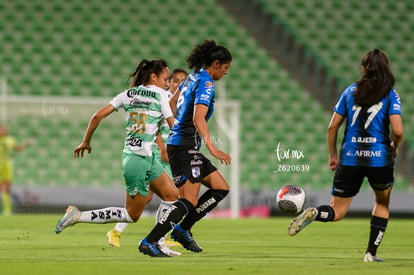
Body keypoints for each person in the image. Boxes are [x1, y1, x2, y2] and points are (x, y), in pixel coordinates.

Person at [55, 58, 180, 257]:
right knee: (131, 215)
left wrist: (85, 141)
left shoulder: (127, 94)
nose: (168, 82)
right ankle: (78, 215)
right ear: (154, 77)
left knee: (172, 196)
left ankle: (157, 242)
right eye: (166, 78)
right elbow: (173, 124)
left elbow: (97, 116)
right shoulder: (160, 94)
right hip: (138, 161)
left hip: (141, 158)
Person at [287, 49, 403, 263]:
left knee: (337, 212)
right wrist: (394, 147)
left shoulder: (350, 91)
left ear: (363, 68)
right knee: (382, 203)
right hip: (380, 159)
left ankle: (315, 213)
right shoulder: (390, 94)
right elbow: (398, 131)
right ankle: (370, 254)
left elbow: (332, 127)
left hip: (350, 158)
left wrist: (332, 155)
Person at [138, 39, 232, 255]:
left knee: (221, 187)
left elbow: (171, 104)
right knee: (188, 200)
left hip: (184, 144)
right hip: (185, 146)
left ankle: (182, 229)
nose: (226, 73)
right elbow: (199, 119)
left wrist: (178, 127)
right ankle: (149, 240)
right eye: (226, 67)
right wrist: (213, 148)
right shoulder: (206, 82)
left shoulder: (191, 77)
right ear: (216, 64)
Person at [106, 68, 188, 256]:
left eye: (181, 81)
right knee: (155, 197)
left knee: (171, 196)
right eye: (174, 80)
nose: (176, 84)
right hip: (156, 153)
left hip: (170, 154)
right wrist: (162, 147)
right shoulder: (162, 96)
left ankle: (159, 238)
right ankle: (118, 231)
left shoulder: (181, 102)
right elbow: (155, 127)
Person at [0, 124, 27, 216]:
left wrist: (24, 145)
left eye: (5, 129)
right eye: (2, 129)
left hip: (6, 165)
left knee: (6, 188)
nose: (4, 131)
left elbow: (17, 149)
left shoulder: (10, 140)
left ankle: (7, 211)